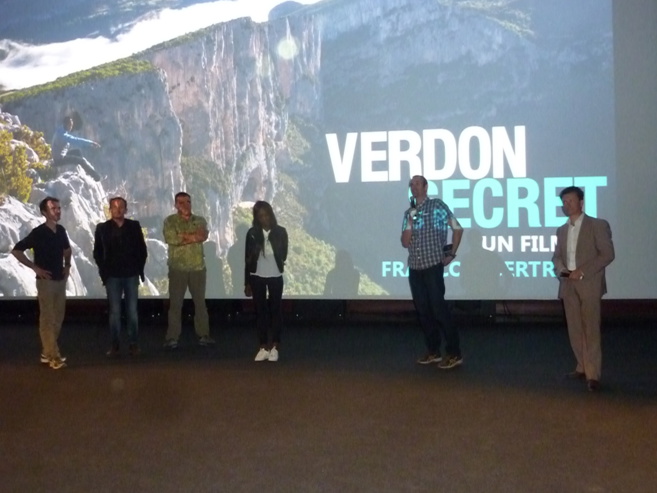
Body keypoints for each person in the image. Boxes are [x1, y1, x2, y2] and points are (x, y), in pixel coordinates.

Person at [552, 186, 615, 392]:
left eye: (570, 201)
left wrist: (582, 271)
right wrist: (561, 269)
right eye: (564, 202)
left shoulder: (597, 225)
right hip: (568, 284)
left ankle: (593, 374)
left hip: (589, 284)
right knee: (574, 328)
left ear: (581, 202)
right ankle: (581, 366)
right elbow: (557, 256)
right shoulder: (562, 230)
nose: (566, 205)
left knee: (591, 329)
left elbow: (607, 254)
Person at [401, 175, 464, 369]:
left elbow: (457, 228)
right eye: (411, 184)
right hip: (415, 267)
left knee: (439, 309)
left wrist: (451, 253)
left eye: (417, 183)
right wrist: (410, 221)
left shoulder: (437, 206)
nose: (414, 187)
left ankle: (454, 353)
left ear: (426, 187)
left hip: (432, 266)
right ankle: (433, 351)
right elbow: (405, 242)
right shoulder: (409, 213)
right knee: (423, 311)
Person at [11, 196, 72, 370]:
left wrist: (67, 265)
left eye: (59, 208)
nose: (58, 211)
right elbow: (17, 250)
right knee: (47, 319)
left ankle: (47, 352)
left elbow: (67, 250)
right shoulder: (38, 233)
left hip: (60, 281)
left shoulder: (61, 230)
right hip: (46, 283)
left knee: (58, 317)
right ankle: (53, 356)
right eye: (54, 208)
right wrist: (35, 267)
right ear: (44, 212)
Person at [93, 197, 148, 357]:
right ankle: (115, 345)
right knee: (115, 312)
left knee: (132, 312)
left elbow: (142, 250)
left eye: (121, 207)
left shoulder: (134, 226)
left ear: (126, 209)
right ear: (110, 209)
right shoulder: (102, 228)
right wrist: (104, 271)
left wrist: (138, 268)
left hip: (131, 275)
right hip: (112, 277)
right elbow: (97, 252)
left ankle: (133, 344)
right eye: (115, 207)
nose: (118, 209)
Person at [163, 192, 214, 349]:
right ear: (175, 205)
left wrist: (183, 236)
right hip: (177, 268)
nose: (185, 205)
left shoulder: (200, 220)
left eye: (188, 202)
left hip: (198, 268)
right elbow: (171, 238)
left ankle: (204, 335)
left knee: (200, 304)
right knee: (175, 305)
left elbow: (202, 236)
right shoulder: (170, 221)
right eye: (181, 202)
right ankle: (172, 337)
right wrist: (192, 237)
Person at [244, 201, 288, 362]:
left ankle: (275, 346)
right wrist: (247, 282)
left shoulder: (280, 232)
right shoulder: (252, 233)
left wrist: (272, 243)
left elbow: (283, 255)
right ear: (256, 218)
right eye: (261, 216)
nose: (265, 219)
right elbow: (247, 259)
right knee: (260, 311)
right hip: (257, 275)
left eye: (267, 215)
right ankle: (263, 346)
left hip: (275, 275)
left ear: (271, 214)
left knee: (276, 310)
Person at [51, 115, 102, 181]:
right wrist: (91, 143)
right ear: (66, 124)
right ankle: (97, 178)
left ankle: (85, 170)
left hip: (59, 156)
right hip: (59, 160)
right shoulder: (63, 135)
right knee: (81, 161)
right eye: (70, 125)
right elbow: (76, 140)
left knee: (77, 152)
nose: (71, 127)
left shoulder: (60, 130)